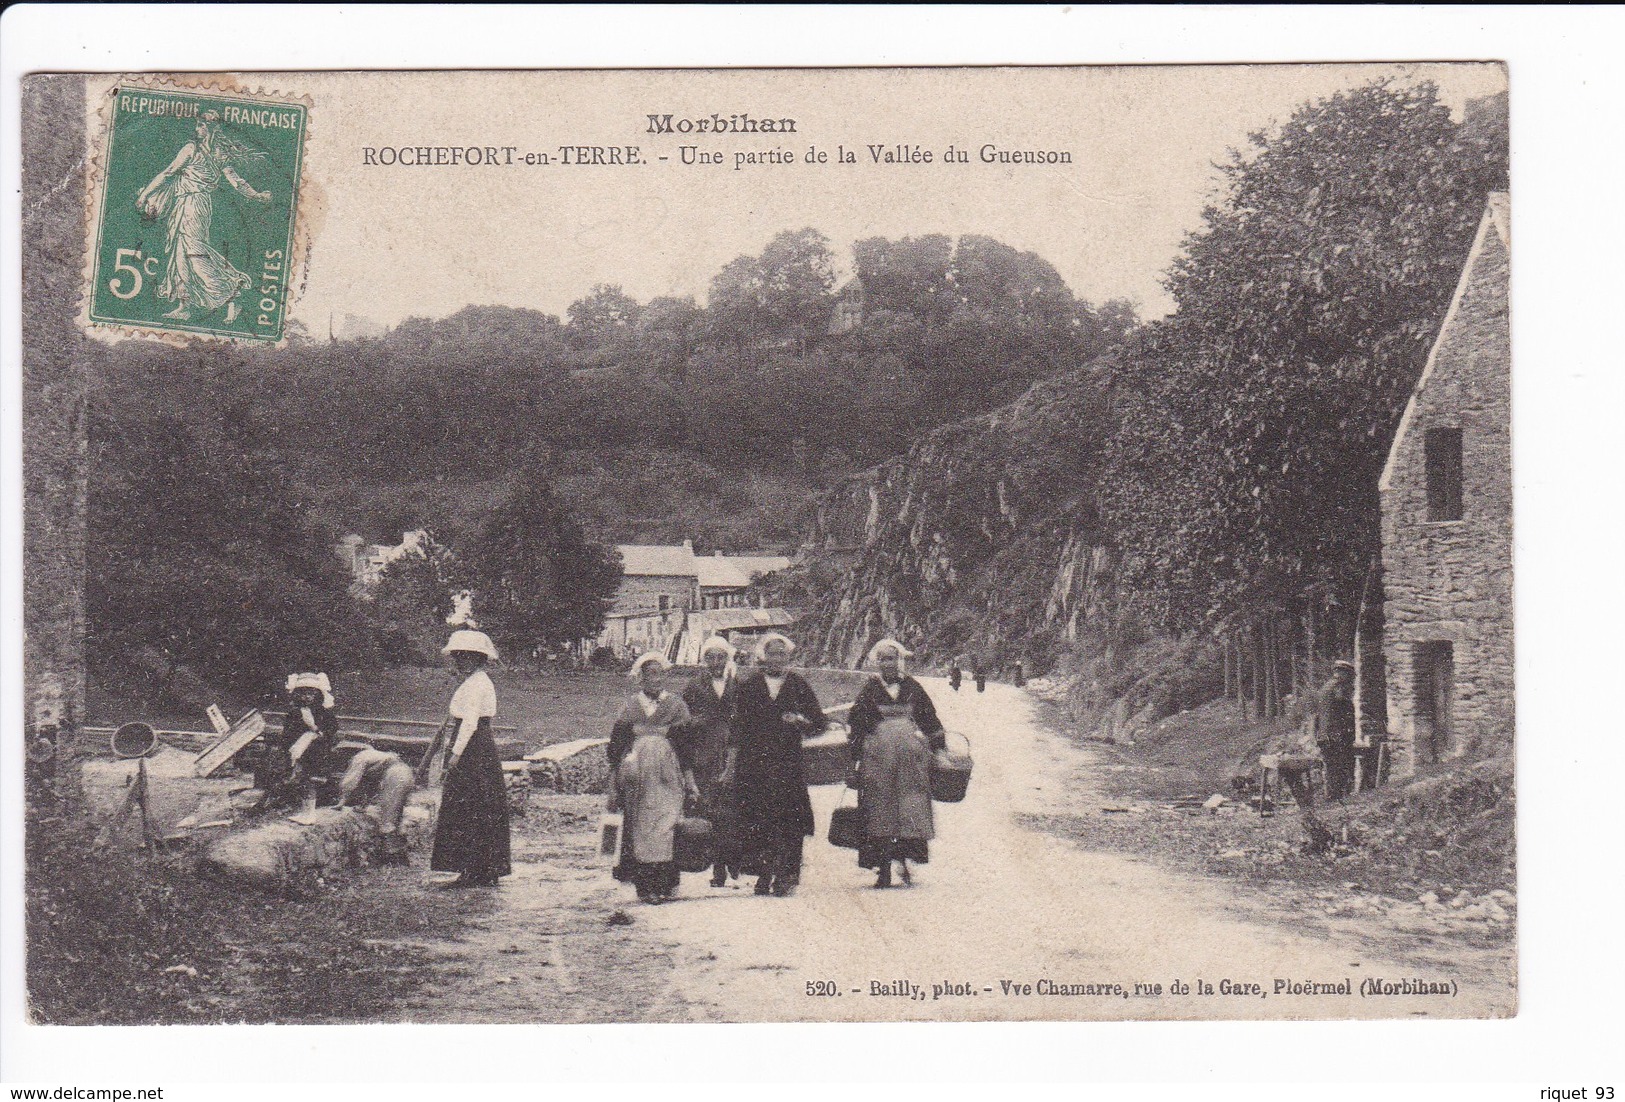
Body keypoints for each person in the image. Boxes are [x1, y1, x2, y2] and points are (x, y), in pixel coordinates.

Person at [135, 111, 272, 324]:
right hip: (186, 203)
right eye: (197, 125)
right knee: (179, 253)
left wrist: (145, 195)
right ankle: (184, 305)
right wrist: (257, 195)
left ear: (210, 129)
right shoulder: (214, 153)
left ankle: (232, 290)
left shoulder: (197, 151)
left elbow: (168, 173)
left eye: (200, 126)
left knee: (194, 252)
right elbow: (237, 182)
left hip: (194, 205)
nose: (196, 130)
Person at [727, 633, 827, 897]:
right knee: (759, 818)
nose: (777, 659)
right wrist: (733, 764)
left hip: (787, 763)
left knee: (789, 820)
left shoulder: (797, 685)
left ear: (788, 657)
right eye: (772, 654)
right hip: (756, 763)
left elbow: (819, 722)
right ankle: (763, 874)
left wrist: (799, 721)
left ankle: (786, 875)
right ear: (763, 657)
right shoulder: (749, 687)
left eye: (782, 654)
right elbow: (737, 727)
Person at [846, 640, 946, 888]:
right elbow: (857, 724)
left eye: (891, 658)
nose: (887, 663)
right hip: (878, 757)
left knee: (908, 806)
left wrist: (939, 746)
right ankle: (883, 868)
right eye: (882, 659)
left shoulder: (913, 687)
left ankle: (905, 858)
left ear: (899, 661)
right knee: (879, 807)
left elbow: (929, 718)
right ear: (876, 662)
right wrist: (855, 757)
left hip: (909, 757)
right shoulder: (870, 689)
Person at [608, 653, 699, 904]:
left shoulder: (676, 706)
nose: (655, 679)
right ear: (641, 678)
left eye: (660, 674)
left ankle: (664, 884)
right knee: (640, 827)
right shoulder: (630, 706)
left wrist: (690, 781)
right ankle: (645, 885)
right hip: (636, 772)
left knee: (666, 824)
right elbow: (616, 748)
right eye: (650, 674)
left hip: (668, 772)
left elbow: (685, 746)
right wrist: (614, 783)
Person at [429, 629, 511, 888]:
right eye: (459, 657)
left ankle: (477, 868)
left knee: (473, 804)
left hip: (474, 748)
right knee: (472, 805)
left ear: (479, 659)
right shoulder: (473, 682)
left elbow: (470, 723)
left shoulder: (478, 683)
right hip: (474, 746)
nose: (461, 661)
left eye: (468, 657)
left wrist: (455, 755)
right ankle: (475, 867)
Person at [682, 636, 740, 887]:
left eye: (721, 657)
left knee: (732, 810)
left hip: (731, 752)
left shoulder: (738, 686)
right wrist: (698, 721)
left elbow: (747, 720)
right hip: (703, 754)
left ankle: (732, 860)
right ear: (704, 660)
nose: (716, 662)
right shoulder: (694, 687)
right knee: (708, 809)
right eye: (711, 657)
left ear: (728, 659)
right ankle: (716, 866)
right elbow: (682, 722)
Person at [259, 672, 340, 813]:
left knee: (310, 774)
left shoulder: (324, 713)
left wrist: (314, 730)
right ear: (297, 695)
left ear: (317, 695)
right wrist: (290, 745)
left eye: (310, 694)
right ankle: (278, 799)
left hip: (317, 748)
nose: (306, 697)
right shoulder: (295, 713)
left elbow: (331, 730)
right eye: (303, 694)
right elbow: (287, 734)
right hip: (295, 748)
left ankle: (314, 803)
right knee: (281, 766)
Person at [337, 745, 416, 866]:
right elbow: (370, 785)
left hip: (396, 777)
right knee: (397, 817)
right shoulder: (377, 758)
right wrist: (363, 806)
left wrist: (342, 801)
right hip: (406, 773)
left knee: (387, 819)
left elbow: (350, 781)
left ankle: (393, 857)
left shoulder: (360, 758)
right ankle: (400, 854)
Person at [1317, 659, 1358, 801]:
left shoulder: (1325, 688)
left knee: (1330, 767)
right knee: (1338, 767)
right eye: (1349, 675)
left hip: (1325, 735)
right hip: (1336, 735)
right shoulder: (1338, 688)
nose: (1350, 679)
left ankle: (1331, 797)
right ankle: (1336, 798)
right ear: (1342, 674)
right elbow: (1344, 710)